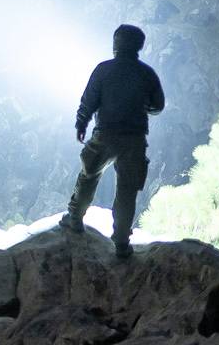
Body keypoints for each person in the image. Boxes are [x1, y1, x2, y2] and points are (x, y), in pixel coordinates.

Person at [59, 23, 165, 260]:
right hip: (134, 138)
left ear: (116, 44)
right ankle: (121, 242)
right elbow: (158, 105)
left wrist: (81, 123)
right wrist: (138, 105)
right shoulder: (146, 73)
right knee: (127, 190)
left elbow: (89, 100)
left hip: (105, 134)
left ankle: (75, 219)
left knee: (88, 176)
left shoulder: (103, 69)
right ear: (139, 46)